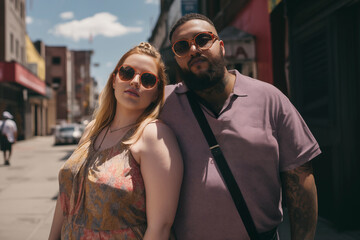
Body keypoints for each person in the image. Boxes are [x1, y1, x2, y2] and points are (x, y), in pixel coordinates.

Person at [159, 13, 321, 240]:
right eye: (182, 46)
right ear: (176, 58)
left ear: (222, 46)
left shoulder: (269, 98)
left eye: (203, 40)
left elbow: (300, 178)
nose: (194, 50)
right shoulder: (162, 105)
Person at [48, 42, 183, 240]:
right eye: (127, 73)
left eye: (147, 79)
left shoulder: (152, 135)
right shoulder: (91, 130)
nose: (135, 81)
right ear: (114, 80)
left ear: (156, 94)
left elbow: (160, 227)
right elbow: (66, 198)